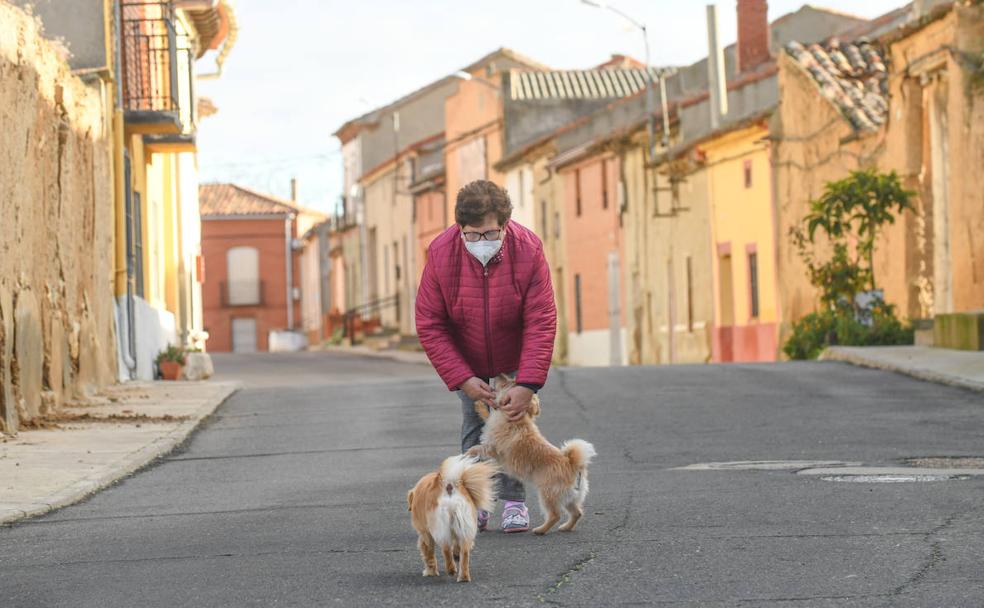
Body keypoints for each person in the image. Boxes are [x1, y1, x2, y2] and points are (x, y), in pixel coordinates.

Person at [415, 179, 557, 533]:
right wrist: (463, 378)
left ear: (506, 226)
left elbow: (541, 319)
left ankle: (514, 504)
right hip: (468, 357)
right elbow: (430, 322)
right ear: (460, 228)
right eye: (473, 234)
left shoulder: (529, 249)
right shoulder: (441, 252)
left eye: (491, 233)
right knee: (475, 429)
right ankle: (476, 500)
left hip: (514, 354)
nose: (482, 242)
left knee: (514, 428)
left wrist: (526, 383)